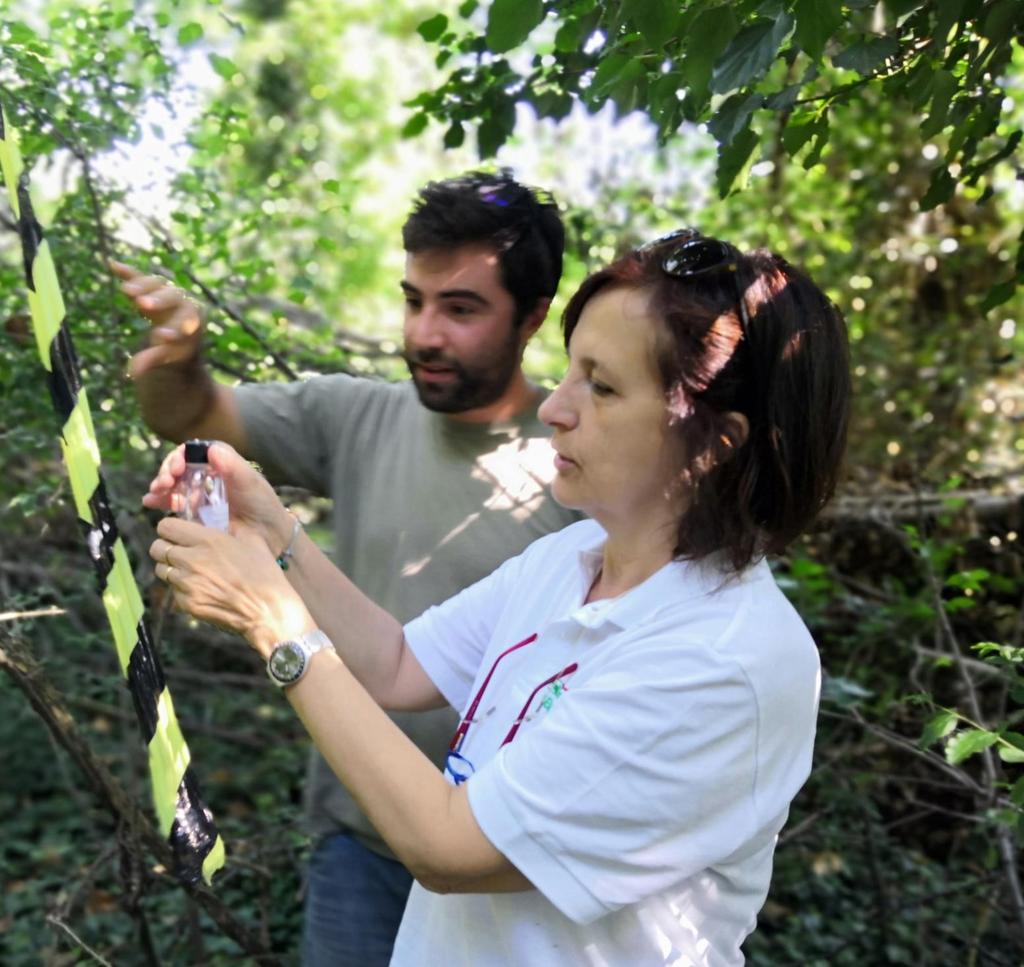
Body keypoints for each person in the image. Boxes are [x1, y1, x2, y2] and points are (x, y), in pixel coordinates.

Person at [144, 228, 851, 965]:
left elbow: (447, 845)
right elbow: (395, 663)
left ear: (717, 444)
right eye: (570, 371)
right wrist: (276, 529)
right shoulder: (569, 559)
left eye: (602, 387)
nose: (555, 409)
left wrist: (275, 622)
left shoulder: (722, 660)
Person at [113, 170, 582, 965]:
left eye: (461, 309)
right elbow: (187, 413)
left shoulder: (579, 463)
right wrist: (178, 358)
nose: (424, 332)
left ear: (533, 317)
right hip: (356, 849)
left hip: (516, 865)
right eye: (414, 300)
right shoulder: (359, 413)